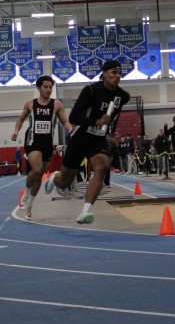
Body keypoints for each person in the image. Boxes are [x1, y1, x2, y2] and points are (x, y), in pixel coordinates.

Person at [44, 60, 131, 224]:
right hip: (80, 137)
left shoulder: (123, 96)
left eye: (120, 73)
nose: (117, 76)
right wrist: (97, 121)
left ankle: (85, 211)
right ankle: (55, 177)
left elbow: (115, 116)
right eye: (113, 72)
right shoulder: (91, 90)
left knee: (102, 166)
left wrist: (111, 133)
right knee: (64, 182)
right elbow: (73, 117)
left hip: (98, 140)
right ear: (104, 73)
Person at [12, 75, 72, 219]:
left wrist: (70, 129)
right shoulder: (30, 104)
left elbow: (65, 122)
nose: (48, 89)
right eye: (45, 87)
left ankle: (30, 206)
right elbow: (20, 119)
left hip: (47, 143)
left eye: (50, 87)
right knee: (37, 169)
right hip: (32, 141)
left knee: (39, 177)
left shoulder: (57, 105)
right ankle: (26, 194)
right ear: (39, 88)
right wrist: (16, 130)